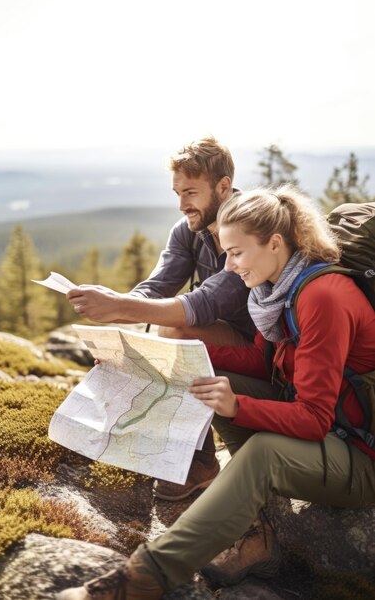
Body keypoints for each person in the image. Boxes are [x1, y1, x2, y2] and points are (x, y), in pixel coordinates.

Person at [58, 184, 375, 600]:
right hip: (330, 428)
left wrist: (237, 405)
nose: (229, 265)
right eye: (225, 252)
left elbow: (314, 419)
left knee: (263, 452)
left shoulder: (322, 297)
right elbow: (264, 364)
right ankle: (254, 531)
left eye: (238, 253)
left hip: (356, 451)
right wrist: (162, 356)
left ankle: (143, 579)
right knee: (203, 377)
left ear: (275, 243)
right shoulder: (276, 290)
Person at [67, 137, 264, 502]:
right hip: (221, 337)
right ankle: (176, 455)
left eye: (190, 192)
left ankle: (198, 462)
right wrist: (119, 306)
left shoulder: (250, 227)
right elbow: (157, 286)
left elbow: (207, 301)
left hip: (261, 349)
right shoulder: (188, 232)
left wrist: (122, 309)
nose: (182, 204)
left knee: (172, 329)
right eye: (177, 193)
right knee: (162, 332)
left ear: (223, 187)